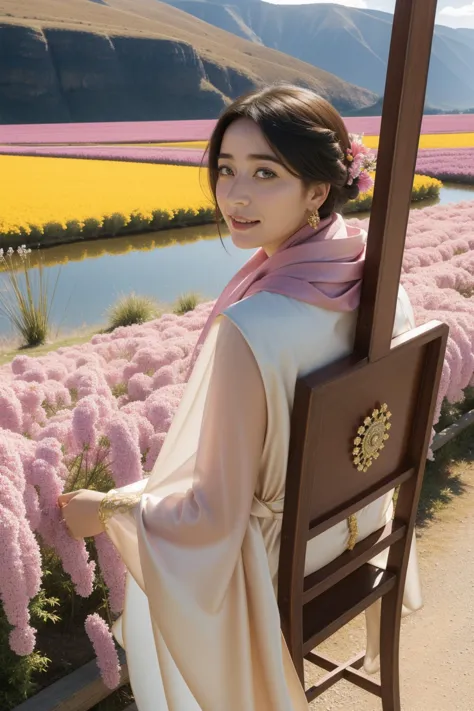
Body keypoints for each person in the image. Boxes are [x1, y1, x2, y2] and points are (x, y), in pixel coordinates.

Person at [58, 85, 421, 711]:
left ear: (317, 189)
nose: (236, 194)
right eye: (226, 171)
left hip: (287, 560)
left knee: (148, 590)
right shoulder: (377, 277)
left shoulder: (254, 328)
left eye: (265, 173)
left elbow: (212, 521)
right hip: (360, 524)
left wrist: (111, 506)